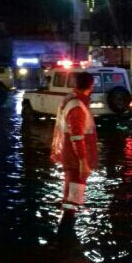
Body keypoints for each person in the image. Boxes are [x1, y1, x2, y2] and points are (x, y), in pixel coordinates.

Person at [50, 70, 98, 212]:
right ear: (91, 86)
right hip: (76, 162)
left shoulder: (71, 101)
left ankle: (65, 226)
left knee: (70, 198)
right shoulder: (77, 105)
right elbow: (77, 137)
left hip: (71, 159)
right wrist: (83, 162)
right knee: (73, 201)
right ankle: (67, 229)